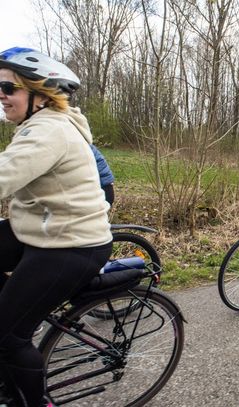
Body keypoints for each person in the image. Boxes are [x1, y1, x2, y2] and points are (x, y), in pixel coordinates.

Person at [0, 47, 112, 406]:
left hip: (72, 244)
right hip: (41, 229)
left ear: (40, 94)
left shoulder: (49, 131)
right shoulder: (38, 125)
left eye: (8, 88)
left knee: (8, 337)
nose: (1, 96)